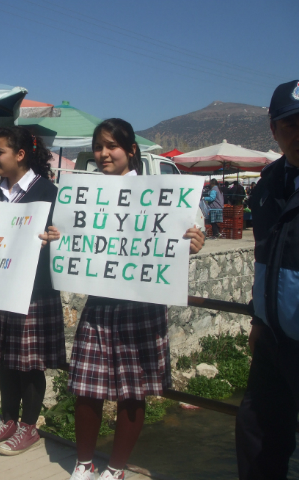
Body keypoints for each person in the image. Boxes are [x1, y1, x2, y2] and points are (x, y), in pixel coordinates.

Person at [60, 119, 204, 480]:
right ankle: (83, 463)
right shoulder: (85, 192)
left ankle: (116, 469)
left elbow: (188, 234)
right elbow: (68, 234)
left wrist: (195, 242)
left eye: (112, 146)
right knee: (87, 386)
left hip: (143, 303)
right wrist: (55, 235)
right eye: (98, 147)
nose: (104, 154)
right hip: (101, 302)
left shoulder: (161, 192)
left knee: (133, 389)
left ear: (131, 151)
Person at [236, 79, 299, 479]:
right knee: (257, 445)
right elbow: (266, 260)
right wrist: (259, 318)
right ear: (274, 130)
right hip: (272, 345)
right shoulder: (269, 182)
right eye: (291, 125)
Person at [0, 126, 66, 455]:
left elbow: (67, 240)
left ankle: (29, 427)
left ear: (20, 155)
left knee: (30, 362)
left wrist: (58, 238)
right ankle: (8, 419)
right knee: (5, 358)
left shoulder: (49, 193)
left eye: (0, 152)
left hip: (34, 291)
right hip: (1, 288)